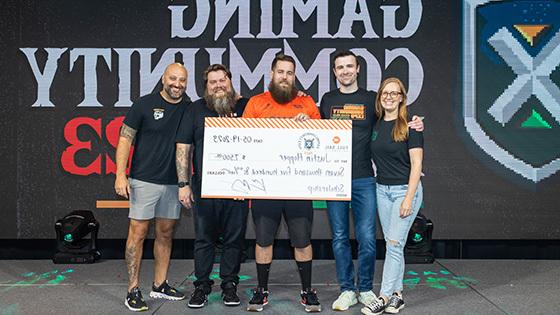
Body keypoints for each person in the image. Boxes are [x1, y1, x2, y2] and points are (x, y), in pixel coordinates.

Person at [320, 51, 423, 311]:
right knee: (340, 237)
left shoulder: (371, 101)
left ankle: (365, 288)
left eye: (349, 66)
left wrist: (415, 123)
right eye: (340, 67)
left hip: (366, 180)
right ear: (335, 72)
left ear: (357, 70)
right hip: (334, 180)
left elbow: (394, 123)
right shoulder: (327, 100)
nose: (345, 71)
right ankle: (346, 289)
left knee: (367, 238)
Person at [242, 54, 322, 313]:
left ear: (294, 76)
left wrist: (309, 127)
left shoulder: (307, 103)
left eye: (290, 72)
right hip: (265, 188)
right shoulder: (255, 103)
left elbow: (323, 142)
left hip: (299, 188)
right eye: (281, 72)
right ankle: (261, 290)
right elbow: (242, 142)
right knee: (263, 241)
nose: (285, 77)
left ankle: (307, 291)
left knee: (302, 241)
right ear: (272, 74)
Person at [115, 63, 189, 312]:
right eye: (173, 78)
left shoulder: (189, 108)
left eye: (182, 80)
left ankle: (160, 283)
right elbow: (125, 138)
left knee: (166, 233)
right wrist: (120, 175)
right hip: (143, 179)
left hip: (172, 183)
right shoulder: (143, 104)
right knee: (138, 232)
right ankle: (132, 289)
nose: (177, 84)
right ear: (163, 78)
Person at [175, 64, 249, 308]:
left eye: (222, 80)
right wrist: (184, 184)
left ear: (230, 82)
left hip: (238, 187)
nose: (218, 85)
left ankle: (229, 285)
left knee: (234, 240)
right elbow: (184, 147)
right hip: (205, 187)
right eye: (213, 82)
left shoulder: (246, 106)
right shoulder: (195, 109)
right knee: (204, 240)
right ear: (206, 87)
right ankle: (202, 286)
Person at [361, 77, 424, 315]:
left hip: (404, 192)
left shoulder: (410, 125)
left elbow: (417, 164)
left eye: (394, 93)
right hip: (382, 190)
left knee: (395, 245)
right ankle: (398, 295)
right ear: (380, 97)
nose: (389, 97)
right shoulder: (376, 125)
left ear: (401, 97)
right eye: (385, 93)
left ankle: (383, 296)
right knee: (393, 245)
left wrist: (408, 198)